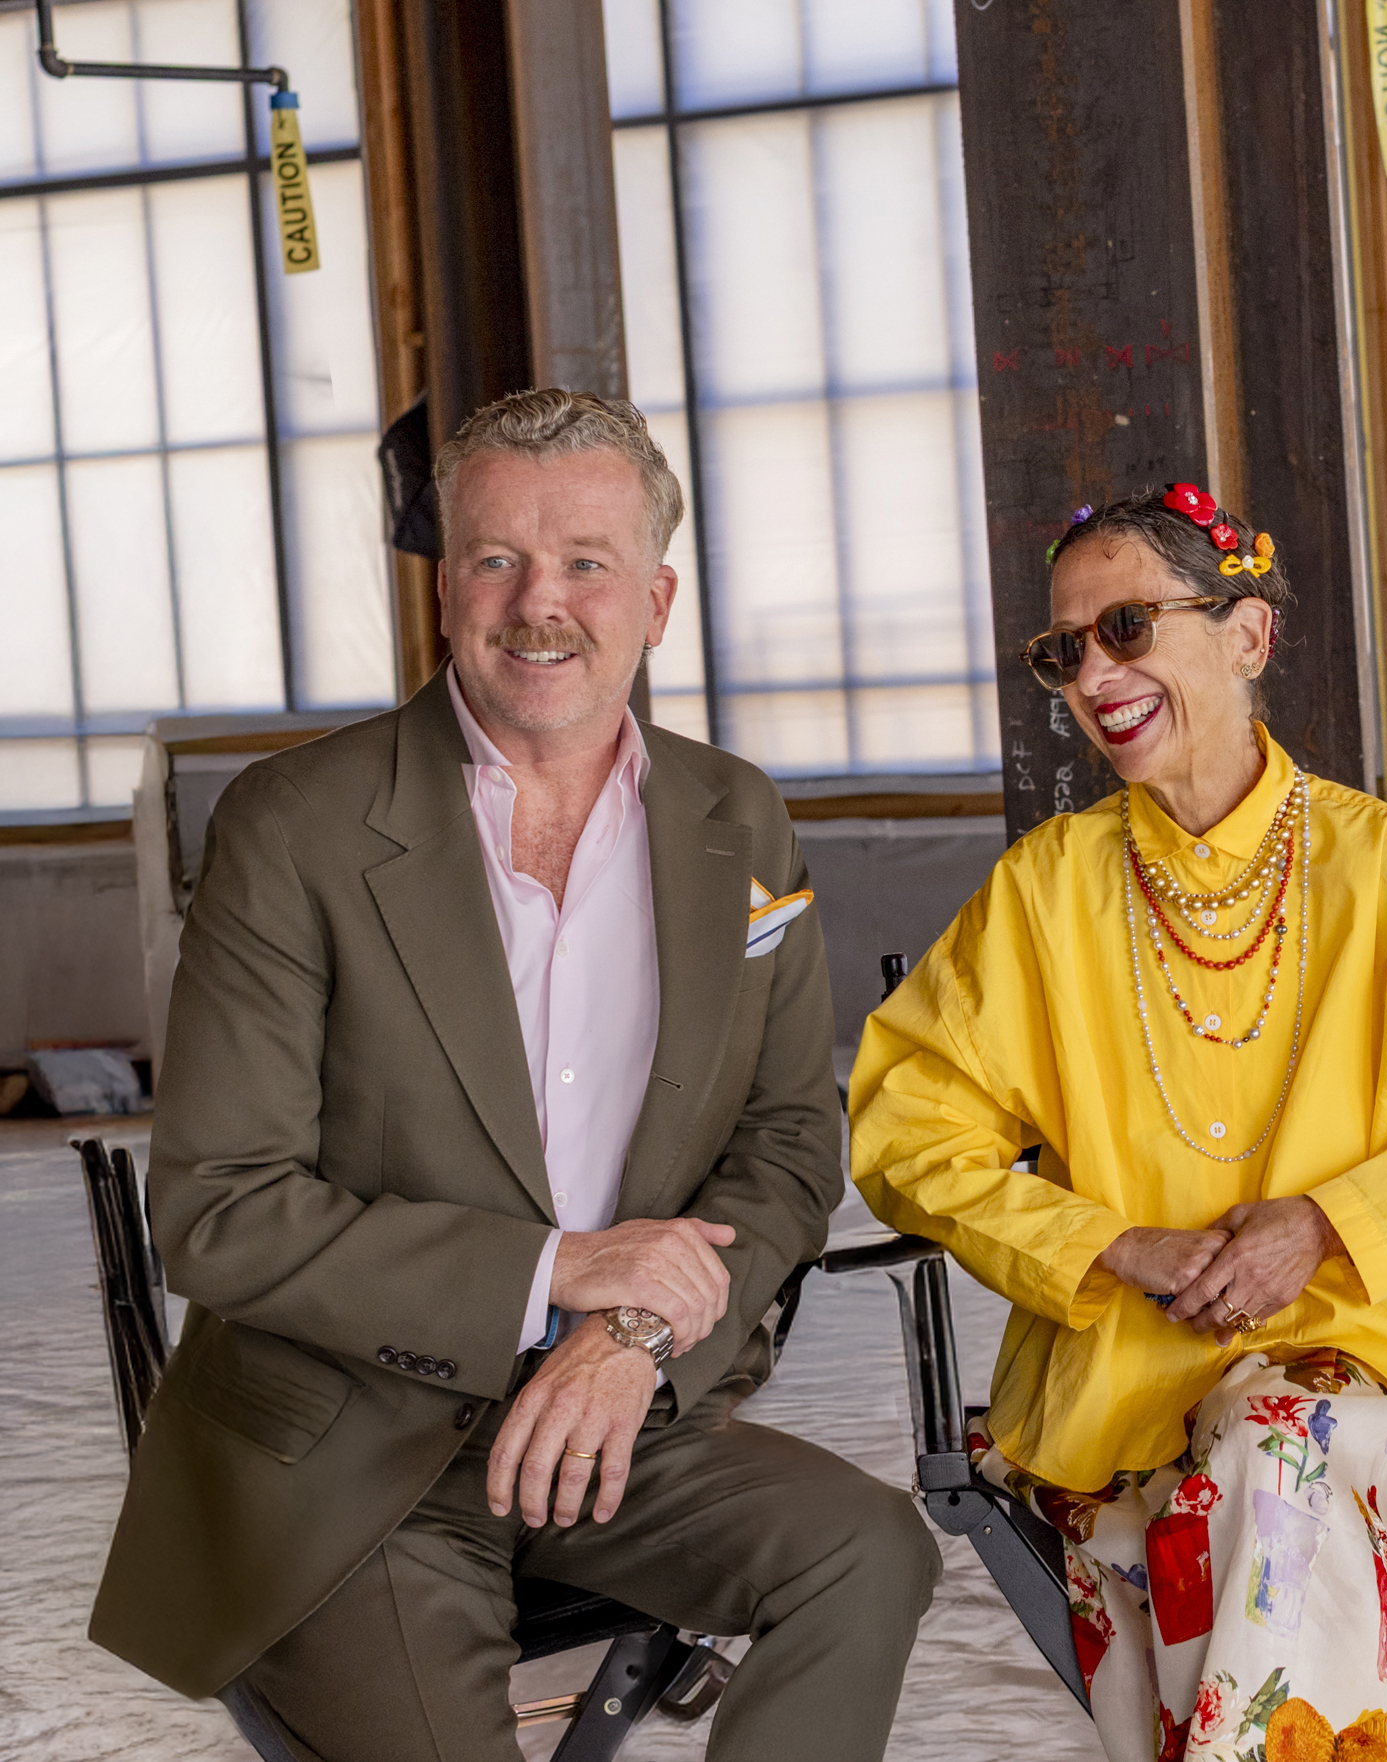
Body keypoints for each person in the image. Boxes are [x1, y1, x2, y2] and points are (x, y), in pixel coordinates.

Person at [90, 389, 940, 1759]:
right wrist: (561, 1272)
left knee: (867, 1554)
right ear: (445, 593)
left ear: (655, 600)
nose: (541, 603)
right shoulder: (293, 824)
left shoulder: (738, 819)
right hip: (356, 1447)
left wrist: (633, 1339)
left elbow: (784, 1142)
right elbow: (220, 1210)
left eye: (587, 564)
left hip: (623, 1423)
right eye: (498, 559)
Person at [851, 484, 1387, 1762]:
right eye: (1066, 650)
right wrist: (1110, 1246)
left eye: (1130, 627)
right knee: (1265, 1459)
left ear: (1246, 637)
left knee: (1278, 1446)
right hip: (1134, 1395)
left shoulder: (1375, 867)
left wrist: (1328, 1226)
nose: (1095, 673)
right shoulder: (1044, 893)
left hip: (1380, 1355)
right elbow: (904, 1133)